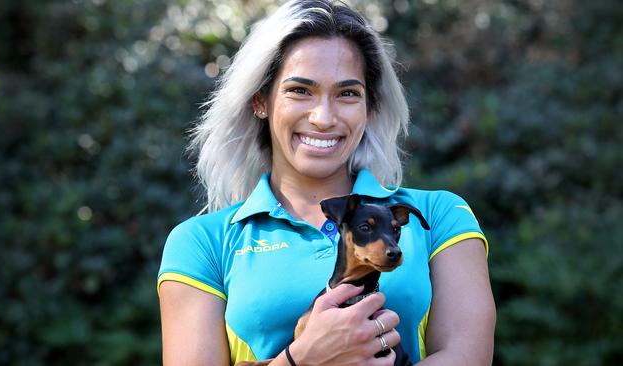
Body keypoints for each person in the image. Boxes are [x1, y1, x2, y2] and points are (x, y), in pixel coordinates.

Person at [157, 0, 496, 365]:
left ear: (370, 107)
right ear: (261, 101)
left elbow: (469, 357)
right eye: (300, 91)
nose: (323, 117)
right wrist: (302, 358)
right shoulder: (201, 242)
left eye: (348, 93)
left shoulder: (439, 215)